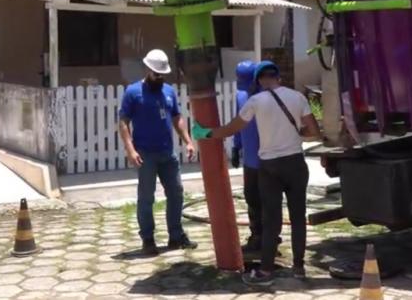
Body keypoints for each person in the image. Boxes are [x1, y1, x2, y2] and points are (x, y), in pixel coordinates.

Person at [192, 61, 321, 286]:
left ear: (259, 81)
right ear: (278, 77)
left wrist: (207, 133)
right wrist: (296, 134)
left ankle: (266, 270)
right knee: (298, 217)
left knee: (270, 220)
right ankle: (299, 267)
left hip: (269, 167)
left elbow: (233, 128)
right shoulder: (297, 97)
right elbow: (314, 131)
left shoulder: (255, 101)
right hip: (295, 164)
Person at [118, 49, 197, 256]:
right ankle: (148, 238)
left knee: (176, 192)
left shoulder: (169, 92)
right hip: (145, 154)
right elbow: (124, 123)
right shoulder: (133, 93)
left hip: (167, 153)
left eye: (162, 74)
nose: (159, 78)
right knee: (146, 197)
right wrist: (130, 149)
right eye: (156, 74)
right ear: (147, 70)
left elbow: (177, 118)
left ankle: (176, 235)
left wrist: (188, 141)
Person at [231, 60, 264, 253]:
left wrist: (237, 146)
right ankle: (260, 236)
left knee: (261, 199)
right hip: (256, 159)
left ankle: (264, 236)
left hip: (261, 159)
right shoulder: (246, 96)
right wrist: (237, 146)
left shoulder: (260, 97)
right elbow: (239, 123)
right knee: (257, 199)